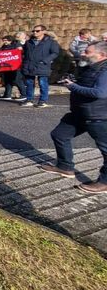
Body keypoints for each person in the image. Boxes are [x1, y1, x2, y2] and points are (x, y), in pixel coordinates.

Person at [39, 42, 107, 193]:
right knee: (59, 134)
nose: (83, 54)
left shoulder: (105, 70)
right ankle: (65, 167)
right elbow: (87, 85)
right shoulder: (92, 67)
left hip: (99, 117)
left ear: (102, 55)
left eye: (88, 52)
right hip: (80, 113)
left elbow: (100, 93)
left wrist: (73, 86)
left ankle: (104, 182)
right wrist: (73, 82)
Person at [21, 24, 60, 108]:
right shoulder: (29, 42)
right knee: (29, 83)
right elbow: (24, 52)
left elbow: (55, 53)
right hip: (29, 65)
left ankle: (43, 101)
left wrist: (45, 61)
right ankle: (29, 100)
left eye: (37, 31)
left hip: (42, 65)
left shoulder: (51, 42)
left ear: (43, 31)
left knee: (42, 83)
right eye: (34, 31)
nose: (35, 32)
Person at [0, 35, 25, 100]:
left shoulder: (16, 45)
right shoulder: (4, 46)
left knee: (17, 80)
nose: (4, 42)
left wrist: (20, 50)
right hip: (7, 66)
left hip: (16, 66)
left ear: (10, 40)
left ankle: (24, 94)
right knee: (7, 81)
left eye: (5, 40)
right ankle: (7, 95)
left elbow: (21, 52)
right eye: (3, 41)